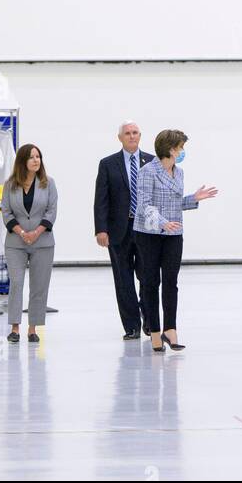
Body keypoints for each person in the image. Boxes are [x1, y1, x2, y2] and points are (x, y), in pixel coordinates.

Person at [133, 130, 218, 354]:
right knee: (151, 282)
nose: (182, 152)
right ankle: (154, 332)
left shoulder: (178, 172)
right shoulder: (147, 171)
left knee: (171, 281)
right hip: (149, 234)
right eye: (180, 147)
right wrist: (162, 222)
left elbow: (174, 202)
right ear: (171, 149)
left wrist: (193, 199)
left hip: (173, 234)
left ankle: (170, 329)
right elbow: (144, 205)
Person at [94, 121, 154, 339]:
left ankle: (149, 320)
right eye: (127, 133)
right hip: (119, 229)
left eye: (135, 132)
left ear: (140, 135)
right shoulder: (108, 164)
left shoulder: (152, 162)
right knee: (124, 279)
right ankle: (131, 326)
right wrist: (101, 229)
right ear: (119, 137)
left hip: (146, 229)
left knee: (147, 276)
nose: (131, 136)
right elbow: (101, 199)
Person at [1, 144, 57, 344]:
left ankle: (33, 328)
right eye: (32, 157)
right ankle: (15, 327)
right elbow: (6, 212)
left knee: (39, 286)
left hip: (43, 242)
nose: (36, 160)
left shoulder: (48, 183)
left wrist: (36, 232)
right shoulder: (10, 185)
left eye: (38, 157)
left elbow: (51, 212)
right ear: (22, 161)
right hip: (16, 242)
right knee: (16, 283)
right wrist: (23, 232)